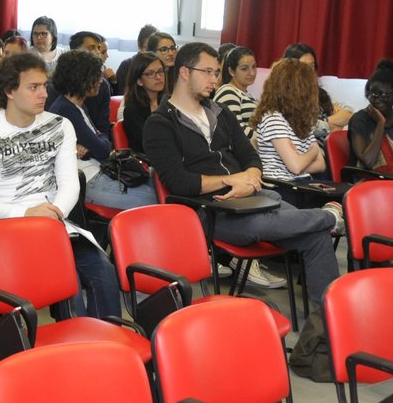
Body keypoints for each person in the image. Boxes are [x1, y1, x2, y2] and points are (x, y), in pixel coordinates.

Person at [142, 42, 341, 307]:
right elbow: (178, 181)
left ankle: (326, 324)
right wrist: (230, 180)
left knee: (315, 236)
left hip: (252, 198)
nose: (215, 79)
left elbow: (251, 156)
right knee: (294, 225)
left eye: (217, 72)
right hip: (208, 210)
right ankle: (332, 217)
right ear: (185, 72)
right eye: (209, 72)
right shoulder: (160, 123)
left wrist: (250, 179)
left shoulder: (219, 113)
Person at [0, 52, 123, 320]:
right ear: (10, 91)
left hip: (53, 223)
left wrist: (54, 213)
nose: (43, 94)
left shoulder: (59, 125)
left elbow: (70, 183)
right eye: (33, 87)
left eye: (44, 86)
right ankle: (77, 347)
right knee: (65, 274)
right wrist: (26, 215)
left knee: (102, 271)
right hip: (6, 227)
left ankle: (108, 342)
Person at [49, 49, 157, 213]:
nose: (100, 81)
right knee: (157, 199)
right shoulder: (66, 110)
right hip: (90, 180)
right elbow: (103, 150)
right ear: (81, 79)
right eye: (96, 76)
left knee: (161, 187)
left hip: (101, 171)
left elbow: (103, 139)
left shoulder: (78, 105)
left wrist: (95, 145)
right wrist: (97, 144)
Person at [249, 58, 330, 185]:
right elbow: (296, 166)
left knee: (337, 202)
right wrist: (313, 151)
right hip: (281, 187)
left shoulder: (301, 120)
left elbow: (321, 165)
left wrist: (299, 161)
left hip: (302, 183)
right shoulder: (273, 118)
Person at [347, 58, 393, 173]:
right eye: (373, 94)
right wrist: (380, 124)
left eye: (382, 94)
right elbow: (368, 161)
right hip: (364, 183)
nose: (376, 99)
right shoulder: (359, 120)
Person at [282, 42, 354, 137]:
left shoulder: (319, 94)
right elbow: (304, 126)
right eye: (304, 66)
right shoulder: (283, 96)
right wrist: (333, 126)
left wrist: (324, 121)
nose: (310, 71)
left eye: (312, 66)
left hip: (323, 148)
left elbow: (349, 113)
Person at [118, 51, 166, 154]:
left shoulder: (168, 102)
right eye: (150, 73)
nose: (158, 77)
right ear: (139, 81)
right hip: (148, 162)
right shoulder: (132, 110)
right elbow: (149, 145)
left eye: (161, 71)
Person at [213, 45, 259, 130]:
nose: (252, 73)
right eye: (244, 69)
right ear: (231, 71)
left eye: (254, 67)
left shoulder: (248, 95)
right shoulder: (227, 91)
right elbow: (236, 131)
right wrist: (267, 138)